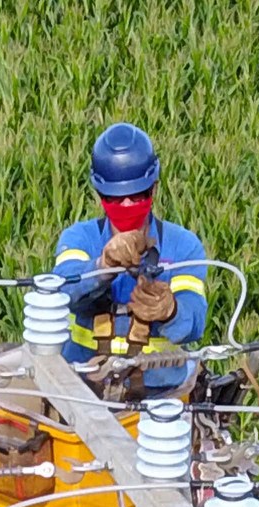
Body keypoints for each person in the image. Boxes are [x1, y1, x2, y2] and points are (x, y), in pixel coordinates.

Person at [50, 123, 208, 397]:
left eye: (136, 196)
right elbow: (63, 290)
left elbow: (195, 321)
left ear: (154, 188)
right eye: (114, 198)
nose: (125, 206)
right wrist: (102, 266)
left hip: (161, 394)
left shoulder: (184, 246)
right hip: (84, 392)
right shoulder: (79, 238)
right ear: (99, 194)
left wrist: (170, 310)